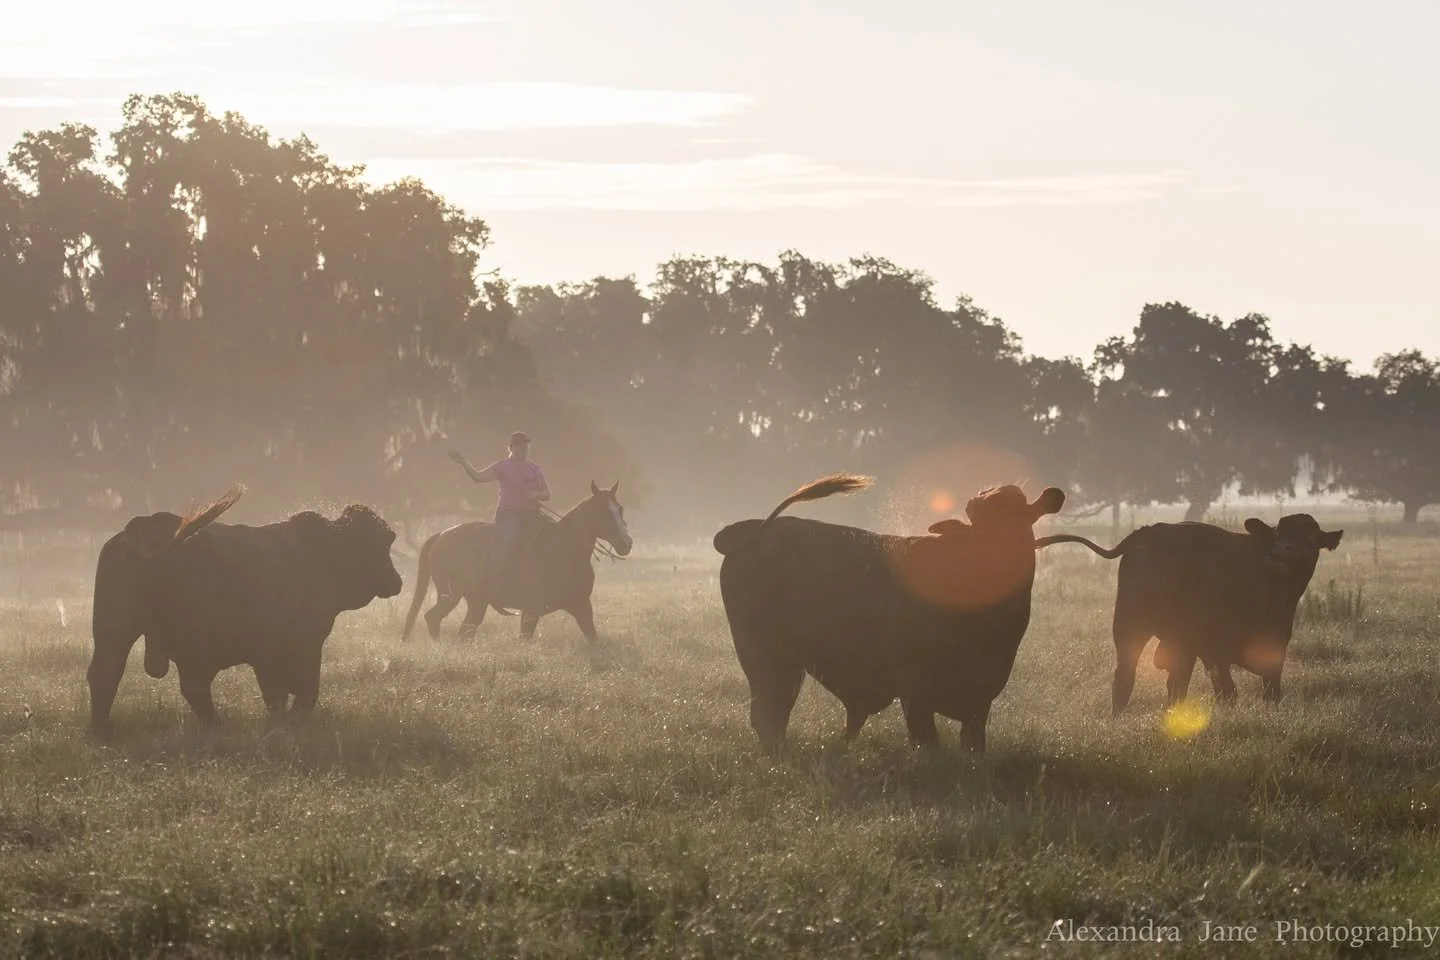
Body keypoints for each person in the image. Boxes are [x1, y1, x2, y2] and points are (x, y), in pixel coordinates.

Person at [448, 431, 551, 598]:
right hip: (509, 514)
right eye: (520, 447)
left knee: (552, 536)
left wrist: (535, 495)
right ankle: (497, 582)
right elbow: (478, 477)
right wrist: (463, 463)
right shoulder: (502, 467)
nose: (524, 450)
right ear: (511, 448)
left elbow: (547, 494)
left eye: (526, 447)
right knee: (508, 542)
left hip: (532, 514)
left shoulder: (535, 469)